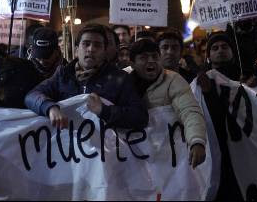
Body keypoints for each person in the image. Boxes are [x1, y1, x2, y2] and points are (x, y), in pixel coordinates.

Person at [25, 24, 148, 130]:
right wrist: (50, 107)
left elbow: (140, 117)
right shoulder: (63, 74)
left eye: (97, 45)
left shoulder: (120, 79)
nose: (91, 49)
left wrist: (104, 111)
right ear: (77, 49)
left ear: (105, 51)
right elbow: (32, 96)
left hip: (104, 152)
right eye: (86, 44)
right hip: (68, 152)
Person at [129, 39, 206, 169]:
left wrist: (196, 141)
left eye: (155, 56)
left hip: (169, 160)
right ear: (132, 64)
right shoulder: (124, 84)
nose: (151, 60)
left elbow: (189, 111)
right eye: (143, 57)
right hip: (137, 163)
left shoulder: (173, 80)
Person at [195, 31, 243, 200]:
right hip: (217, 147)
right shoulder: (201, 80)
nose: (220, 50)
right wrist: (208, 93)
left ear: (232, 51)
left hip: (243, 147)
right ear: (208, 56)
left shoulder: (245, 75)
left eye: (224, 47)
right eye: (214, 48)